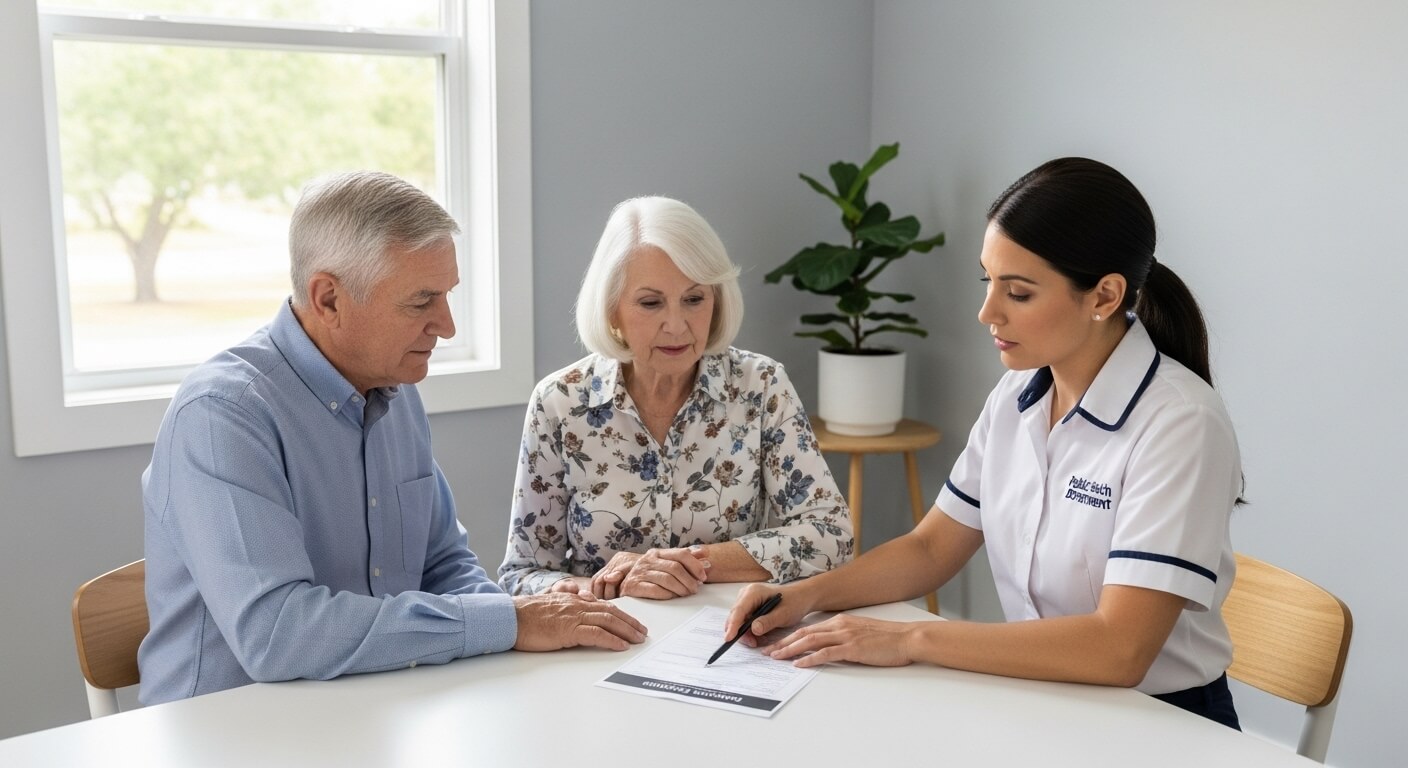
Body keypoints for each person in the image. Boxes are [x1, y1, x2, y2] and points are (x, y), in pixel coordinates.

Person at [724, 158, 1244, 730]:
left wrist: (910, 638)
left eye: (1018, 293)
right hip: (1050, 703)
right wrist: (803, 595)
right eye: (988, 281)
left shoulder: (1181, 423)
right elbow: (931, 550)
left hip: (1164, 726)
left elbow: (1119, 648)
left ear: (1103, 296)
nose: (986, 312)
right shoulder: (1018, 394)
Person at [138, 171, 646, 705]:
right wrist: (508, 620)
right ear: (328, 298)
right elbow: (277, 635)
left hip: (366, 715)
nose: (446, 326)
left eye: (446, 295)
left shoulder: (393, 387)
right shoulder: (223, 415)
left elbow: (443, 564)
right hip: (223, 736)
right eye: (421, 301)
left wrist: (532, 620)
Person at [497, 196, 852, 600]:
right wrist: (605, 587)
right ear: (613, 311)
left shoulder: (762, 386)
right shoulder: (559, 402)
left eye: (694, 299)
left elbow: (831, 534)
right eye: (650, 303)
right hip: (602, 635)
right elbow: (521, 575)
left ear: (716, 301)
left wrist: (686, 563)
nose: (676, 325)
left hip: (726, 634)